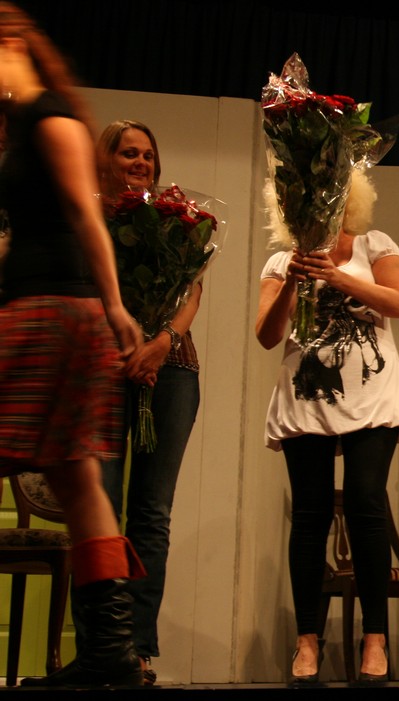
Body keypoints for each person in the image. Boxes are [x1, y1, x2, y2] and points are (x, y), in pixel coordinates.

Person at [0, 2, 144, 686]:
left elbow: (87, 212)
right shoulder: (19, 124)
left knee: (78, 477)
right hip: (39, 305)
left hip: (55, 312)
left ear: (11, 43)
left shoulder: (51, 116)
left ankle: (111, 651)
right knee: (77, 478)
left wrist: (114, 305)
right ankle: (111, 655)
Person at [256, 170, 399, 682]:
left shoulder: (376, 244)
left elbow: (397, 303)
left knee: (367, 503)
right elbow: (267, 334)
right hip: (307, 392)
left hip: (372, 393)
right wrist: (294, 278)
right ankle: (307, 641)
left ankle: (375, 639)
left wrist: (337, 276)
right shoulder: (282, 260)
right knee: (310, 513)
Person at [90, 120, 203, 685]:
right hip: (103, 366)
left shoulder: (175, 217)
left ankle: (136, 649)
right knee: (102, 512)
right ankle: (100, 647)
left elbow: (192, 288)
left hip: (172, 367)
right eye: (128, 153)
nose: (141, 163)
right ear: (105, 160)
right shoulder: (87, 217)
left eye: (148, 156)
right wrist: (126, 337)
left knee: (151, 516)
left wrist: (161, 342)